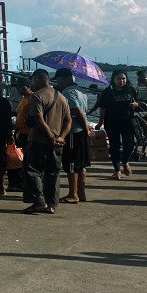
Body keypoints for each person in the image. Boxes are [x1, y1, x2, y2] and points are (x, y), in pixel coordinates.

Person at [22, 68, 71, 214]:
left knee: (31, 170)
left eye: (32, 81)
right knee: (53, 173)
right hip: (57, 143)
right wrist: (60, 137)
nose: (31, 84)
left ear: (37, 79)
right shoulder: (62, 97)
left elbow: (39, 119)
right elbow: (68, 121)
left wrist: (51, 138)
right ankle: (51, 205)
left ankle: (39, 201)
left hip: (39, 140)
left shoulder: (37, 96)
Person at [54, 67, 93, 204]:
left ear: (64, 78)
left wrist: (85, 127)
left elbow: (76, 110)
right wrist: (86, 127)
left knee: (71, 164)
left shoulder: (68, 92)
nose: (57, 83)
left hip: (73, 131)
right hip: (81, 131)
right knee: (81, 164)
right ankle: (81, 193)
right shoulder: (80, 90)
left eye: (58, 79)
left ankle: (73, 194)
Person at [96, 69, 142, 179]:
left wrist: (135, 104)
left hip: (128, 122)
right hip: (111, 122)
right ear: (113, 79)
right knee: (114, 146)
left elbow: (137, 102)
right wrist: (100, 122)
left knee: (129, 144)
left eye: (123, 78)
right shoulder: (108, 91)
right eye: (118, 78)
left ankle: (125, 162)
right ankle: (117, 170)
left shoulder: (131, 89)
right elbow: (103, 108)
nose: (121, 80)